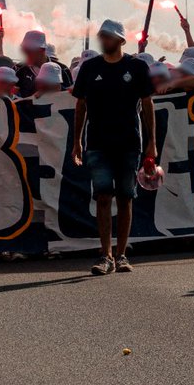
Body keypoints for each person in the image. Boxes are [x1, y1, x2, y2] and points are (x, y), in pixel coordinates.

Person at [71, 20, 156, 275]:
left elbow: (147, 104)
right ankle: (105, 254)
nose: (104, 40)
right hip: (98, 142)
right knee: (103, 196)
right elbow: (81, 105)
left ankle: (121, 254)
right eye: (102, 36)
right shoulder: (90, 68)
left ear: (121, 40)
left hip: (129, 141)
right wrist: (77, 140)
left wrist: (152, 142)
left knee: (126, 197)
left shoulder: (137, 67)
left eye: (109, 36)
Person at [14, 30, 48, 98]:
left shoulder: (62, 70)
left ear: (42, 50)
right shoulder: (18, 70)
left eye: (29, 50)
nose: (25, 53)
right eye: (24, 50)